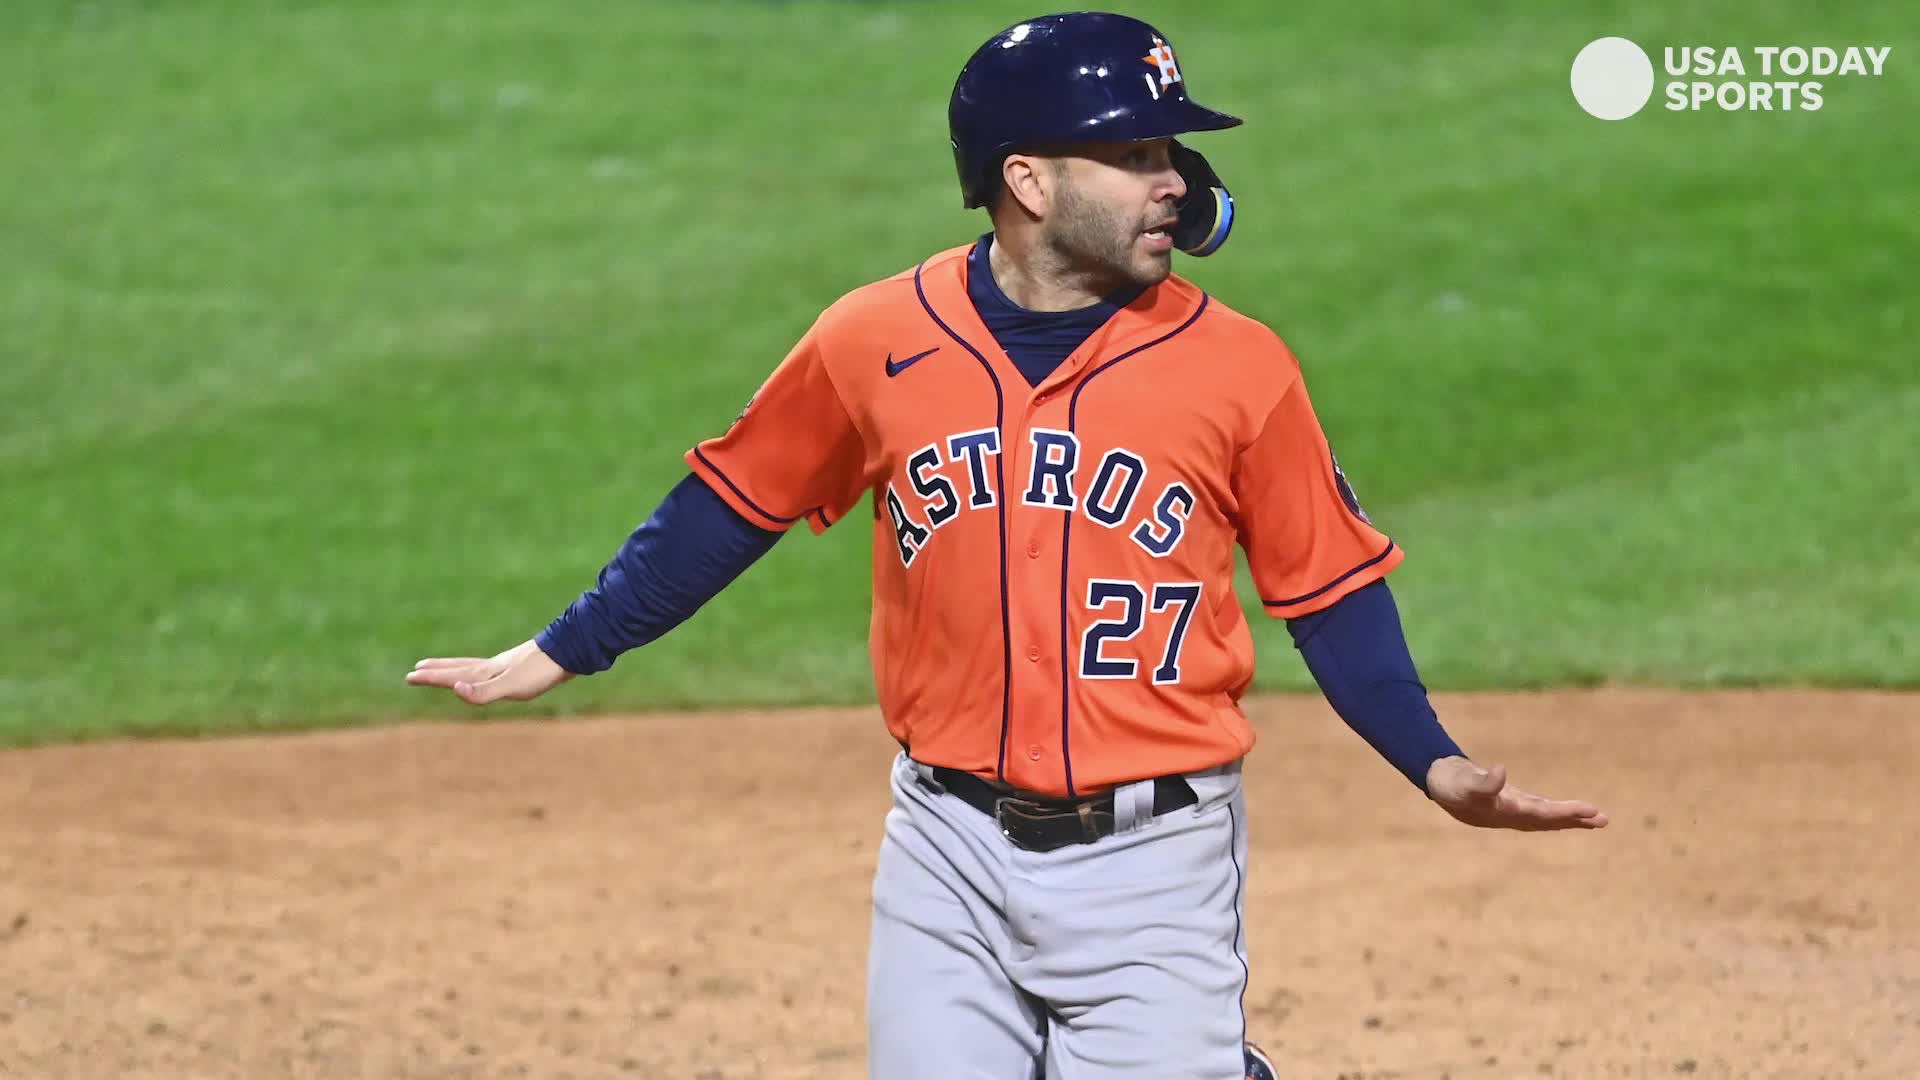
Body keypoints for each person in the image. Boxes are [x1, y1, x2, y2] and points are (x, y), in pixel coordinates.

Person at [406, 12, 1608, 1079]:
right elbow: (733, 505)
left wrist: (1433, 761)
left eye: (1169, 154)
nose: (1174, 183)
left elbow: (1328, 586)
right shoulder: (871, 337)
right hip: (946, 851)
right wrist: (564, 648)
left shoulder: (1238, 367)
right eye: (1134, 155)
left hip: (1156, 862)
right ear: (1025, 179)